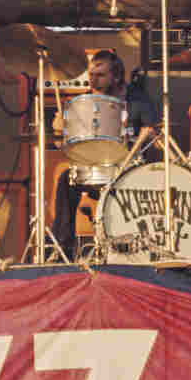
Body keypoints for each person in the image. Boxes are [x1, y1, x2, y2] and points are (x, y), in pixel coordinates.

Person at [50, 49, 158, 260]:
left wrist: (146, 134)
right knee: (66, 179)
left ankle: (132, 251)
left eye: (100, 75)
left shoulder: (138, 99)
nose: (93, 80)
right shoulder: (85, 102)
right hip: (95, 167)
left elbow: (153, 134)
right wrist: (58, 129)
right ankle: (62, 250)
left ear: (116, 76)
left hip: (128, 169)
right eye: (91, 75)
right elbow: (63, 144)